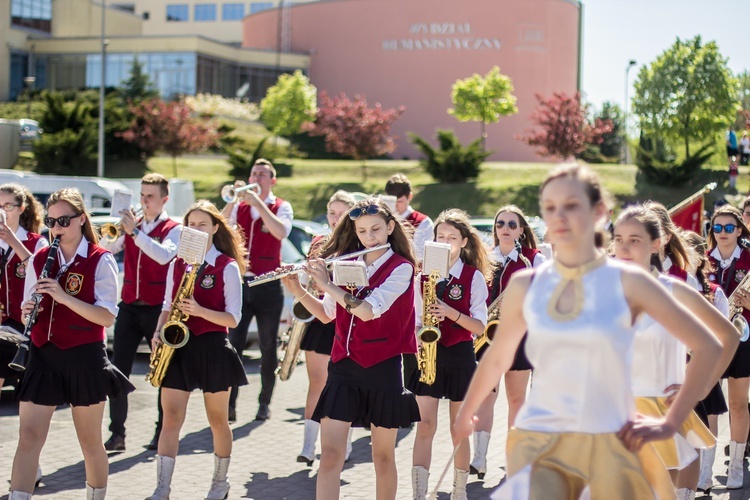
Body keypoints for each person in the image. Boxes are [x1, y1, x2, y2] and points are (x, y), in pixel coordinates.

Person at [454, 164, 724, 499]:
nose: (560, 216)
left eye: (572, 205)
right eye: (550, 207)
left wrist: (672, 421)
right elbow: (497, 357)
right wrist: (467, 413)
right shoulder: (527, 283)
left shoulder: (632, 280)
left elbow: (710, 345)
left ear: (599, 213)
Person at [281, 197, 420, 500]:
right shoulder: (347, 264)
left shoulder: (402, 268)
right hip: (344, 366)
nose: (369, 237)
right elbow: (327, 314)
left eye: (376, 230)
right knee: (330, 455)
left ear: (390, 227)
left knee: (382, 458)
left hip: (382, 367)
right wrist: (298, 289)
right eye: (362, 231)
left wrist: (327, 283)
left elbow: (368, 310)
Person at [9, 188, 133, 500]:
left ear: (80, 219)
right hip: (43, 355)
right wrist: (28, 310)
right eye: (51, 221)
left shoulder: (100, 260)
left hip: (84, 356)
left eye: (63, 220)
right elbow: (29, 304)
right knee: (28, 437)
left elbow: (106, 318)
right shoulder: (39, 259)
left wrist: (63, 297)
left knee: (90, 441)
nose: (56, 228)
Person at [613, 206, 737, 499]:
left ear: (657, 243)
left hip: (658, 413)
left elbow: (726, 336)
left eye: (635, 239)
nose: (624, 247)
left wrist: (699, 390)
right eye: (618, 238)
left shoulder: (674, 291)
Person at [148, 200, 247, 500]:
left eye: (202, 224)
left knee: (217, 420)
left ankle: (220, 483)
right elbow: (167, 304)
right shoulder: (178, 262)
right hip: (178, 346)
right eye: (190, 224)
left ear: (215, 228)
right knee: (171, 419)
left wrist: (201, 310)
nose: (195, 229)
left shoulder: (227, 266)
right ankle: (162, 488)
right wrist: (157, 333)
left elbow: (233, 317)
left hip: (213, 346)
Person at [408, 208, 489, 500]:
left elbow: (480, 327)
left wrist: (450, 313)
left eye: (451, 237)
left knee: (459, 428)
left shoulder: (473, 277)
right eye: (440, 236)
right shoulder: (421, 276)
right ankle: (419, 493)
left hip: (459, 355)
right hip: (429, 355)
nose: (444, 241)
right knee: (425, 425)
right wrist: (420, 335)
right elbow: (414, 321)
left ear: (464, 242)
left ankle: (459, 491)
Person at [101, 173, 181, 452]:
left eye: (150, 196)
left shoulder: (174, 228)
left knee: (162, 372)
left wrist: (136, 233)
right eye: (142, 195)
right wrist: (118, 229)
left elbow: (164, 255)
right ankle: (117, 433)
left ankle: (162, 433)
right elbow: (107, 248)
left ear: (164, 199)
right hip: (129, 306)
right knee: (118, 370)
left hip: (158, 309)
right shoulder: (133, 224)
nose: (144, 201)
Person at [469, 205, 546, 481]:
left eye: (512, 225)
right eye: (500, 223)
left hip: (521, 338)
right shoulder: (484, 258)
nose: (505, 228)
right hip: (488, 339)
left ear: (521, 230)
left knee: (516, 399)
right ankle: (479, 457)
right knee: (484, 398)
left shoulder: (533, 260)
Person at [223, 158, 293, 422]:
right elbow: (221, 226)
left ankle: (264, 402)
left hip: (267, 284)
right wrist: (234, 198)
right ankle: (230, 404)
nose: (257, 178)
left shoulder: (280, 206)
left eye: (263, 174)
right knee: (234, 345)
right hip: (241, 283)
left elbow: (281, 231)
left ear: (272, 180)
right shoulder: (238, 205)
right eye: (254, 173)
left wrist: (259, 204)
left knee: (267, 346)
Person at [297, 190, 356, 466]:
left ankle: (344, 443)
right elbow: (308, 281)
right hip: (321, 320)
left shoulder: (360, 244)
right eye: (331, 213)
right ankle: (308, 445)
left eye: (341, 213)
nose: (335, 219)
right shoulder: (319, 242)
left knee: (347, 385)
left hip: (349, 320)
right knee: (317, 383)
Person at [682, 230, 731, 494]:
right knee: (688, 424)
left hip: (704, 366)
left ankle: (706, 474)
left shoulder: (714, 292)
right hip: (680, 365)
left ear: (701, 259)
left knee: (710, 418)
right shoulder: (673, 285)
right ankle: (691, 475)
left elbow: (723, 334)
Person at [705, 204, 750, 489]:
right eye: (717, 227)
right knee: (709, 406)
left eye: (729, 227)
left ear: (739, 230)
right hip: (708, 340)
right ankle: (705, 468)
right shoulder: (702, 259)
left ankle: (734, 466)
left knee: (736, 403)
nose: (723, 232)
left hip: (741, 337)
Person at [0, 184, 48, 390]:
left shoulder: (37, 242)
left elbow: (41, 273)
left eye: (8, 206)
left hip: (23, 324)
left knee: (28, 391)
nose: (2, 212)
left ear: (21, 209)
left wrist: (12, 240)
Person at [385, 173, 433, 262]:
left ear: (410, 197)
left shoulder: (423, 222)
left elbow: (420, 257)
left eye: (399, 201)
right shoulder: (382, 220)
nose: (395, 206)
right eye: (391, 201)